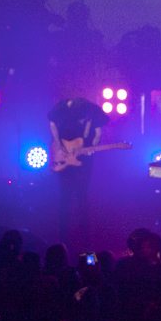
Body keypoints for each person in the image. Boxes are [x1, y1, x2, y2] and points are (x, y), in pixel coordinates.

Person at [47, 96, 110, 248]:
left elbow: (98, 133)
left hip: (83, 158)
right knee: (66, 196)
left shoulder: (92, 110)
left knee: (81, 195)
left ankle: (84, 234)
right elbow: (52, 124)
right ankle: (63, 233)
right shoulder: (60, 106)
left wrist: (93, 147)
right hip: (63, 154)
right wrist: (57, 143)